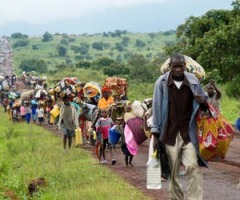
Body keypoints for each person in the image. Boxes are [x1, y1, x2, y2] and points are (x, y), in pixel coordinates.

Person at [151, 53, 208, 200]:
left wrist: (202, 101)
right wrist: (156, 136)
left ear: (185, 66)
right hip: (169, 133)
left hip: (188, 133)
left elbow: (204, 105)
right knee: (173, 171)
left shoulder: (193, 81)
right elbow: (157, 109)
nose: (177, 70)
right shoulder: (161, 83)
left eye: (180, 66)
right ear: (170, 67)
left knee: (192, 167)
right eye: (174, 66)